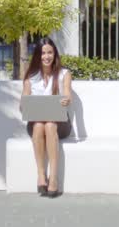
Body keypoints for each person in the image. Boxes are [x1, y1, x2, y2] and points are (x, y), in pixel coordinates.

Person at [21, 37, 72, 198]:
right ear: (38, 55)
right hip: (36, 124)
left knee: (49, 125)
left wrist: (66, 99)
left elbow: (68, 95)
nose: (47, 56)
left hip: (59, 124)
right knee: (38, 125)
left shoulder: (64, 74)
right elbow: (23, 103)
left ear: (54, 54)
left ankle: (54, 179)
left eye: (50, 52)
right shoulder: (31, 76)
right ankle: (41, 175)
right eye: (43, 53)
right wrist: (24, 104)